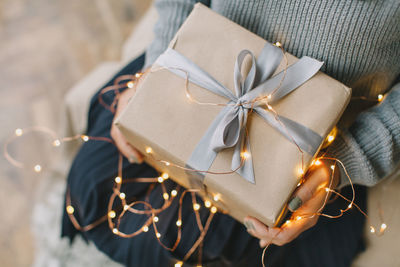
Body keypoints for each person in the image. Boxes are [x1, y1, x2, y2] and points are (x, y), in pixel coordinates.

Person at [62, 1, 400, 266]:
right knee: (90, 187)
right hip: (195, 72)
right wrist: (159, 63)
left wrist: (346, 160)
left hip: (302, 152)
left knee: (171, 244)